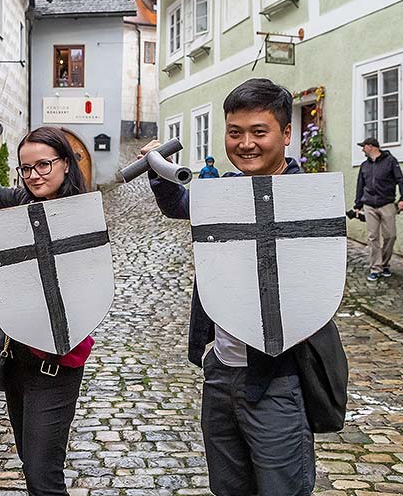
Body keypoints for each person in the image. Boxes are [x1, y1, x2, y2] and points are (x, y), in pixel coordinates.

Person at [142, 78, 345, 496]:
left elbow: (313, 290)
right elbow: (180, 205)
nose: (246, 143)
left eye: (259, 132)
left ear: (286, 134)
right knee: (229, 487)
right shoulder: (223, 192)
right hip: (221, 369)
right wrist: (157, 169)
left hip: (277, 372)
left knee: (280, 488)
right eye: (235, 133)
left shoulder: (307, 198)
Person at [0, 125, 92, 496]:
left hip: (55, 362)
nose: (34, 175)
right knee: (29, 463)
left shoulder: (81, 215)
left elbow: (83, 292)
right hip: (16, 356)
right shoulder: (21, 201)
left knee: (42, 476)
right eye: (26, 168)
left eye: (44, 165)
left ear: (66, 163)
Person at [352, 136, 403, 281]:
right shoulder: (364, 165)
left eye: (363, 146)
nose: (362, 149)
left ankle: (384, 264)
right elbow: (360, 186)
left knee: (390, 236)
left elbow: (400, 180)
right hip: (369, 205)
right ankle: (375, 268)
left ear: (371, 146)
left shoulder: (390, 161)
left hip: (387, 204)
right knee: (373, 238)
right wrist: (357, 205)